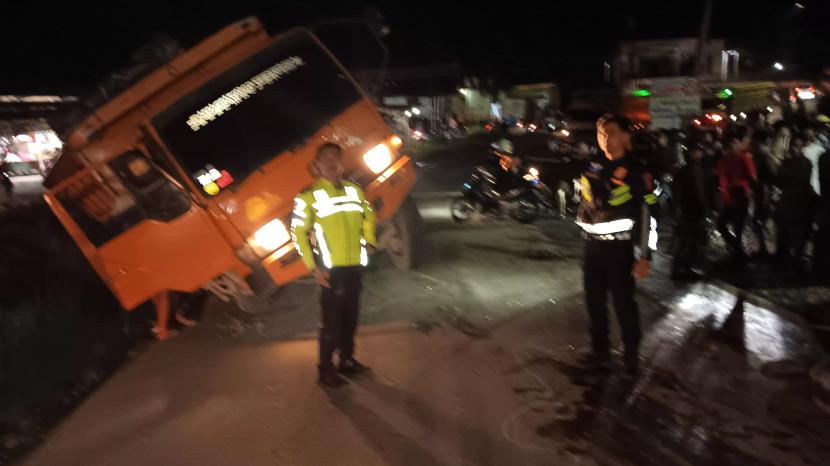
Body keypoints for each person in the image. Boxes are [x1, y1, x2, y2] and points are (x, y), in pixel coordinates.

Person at [575, 115, 658, 376]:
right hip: (592, 248)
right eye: (600, 133)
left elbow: (648, 215)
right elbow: (589, 200)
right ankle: (600, 352)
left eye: (609, 133)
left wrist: (644, 256)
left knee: (624, 304)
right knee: (594, 303)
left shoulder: (637, 171)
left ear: (625, 136)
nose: (604, 138)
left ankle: (631, 355)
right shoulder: (594, 165)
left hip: (620, 250)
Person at [291, 143, 376, 388]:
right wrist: (313, 268)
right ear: (316, 166)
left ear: (342, 164)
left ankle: (347, 360)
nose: (331, 163)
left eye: (335, 158)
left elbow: (368, 216)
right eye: (325, 159)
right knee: (332, 323)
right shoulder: (308, 197)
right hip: (330, 271)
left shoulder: (354, 190)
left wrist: (370, 240)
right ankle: (325, 369)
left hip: (354, 268)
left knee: (351, 319)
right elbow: (298, 234)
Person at [671, 142, 713, 280]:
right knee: (685, 241)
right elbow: (677, 192)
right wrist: (678, 208)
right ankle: (677, 270)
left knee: (695, 241)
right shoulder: (683, 171)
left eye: (699, 152)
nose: (697, 154)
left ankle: (687, 267)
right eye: (695, 152)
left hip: (699, 210)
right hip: (687, 210)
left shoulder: (703, 170)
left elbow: (707, 190)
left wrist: (710, 207)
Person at [775, 137, 814, 276]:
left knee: (795, 237)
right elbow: (779, 179)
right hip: (787, 203)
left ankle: (794, 266)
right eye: (793, 146)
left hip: (798, 205)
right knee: (783, 236)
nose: (794, 149)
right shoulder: (787, 161)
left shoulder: (805, 163)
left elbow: (800, 181)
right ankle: (782, 264)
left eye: (797, 146)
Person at [715, 135, 757, 263]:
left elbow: (753, 178)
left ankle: (738, 254)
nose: (733, 145)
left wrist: (749, 191)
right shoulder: (726, 158)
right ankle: (737, 250)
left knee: (738, 227)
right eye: (731, 143)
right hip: (730, 197)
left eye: (735, 142)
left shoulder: (744, 158)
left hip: (741, 197)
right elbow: (720, 174)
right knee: (721, 224)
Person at [750, 129, 775, 256]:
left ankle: (765, 249)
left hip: (763, 191)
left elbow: (768, 175)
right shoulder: (762, 155)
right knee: (760, 221)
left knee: (760, 220)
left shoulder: (762, 155)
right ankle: (764, 248)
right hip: (762, 191)